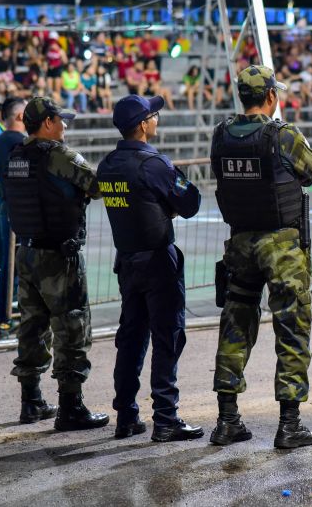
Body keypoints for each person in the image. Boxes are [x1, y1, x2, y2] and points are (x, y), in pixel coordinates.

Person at [209, 65, 312, 449]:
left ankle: (227, 420)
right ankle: (289, 425)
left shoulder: (221, 135)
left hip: (240, 242)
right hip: (282, 246)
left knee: (235, 323)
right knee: (291, 327)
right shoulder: (283, 135)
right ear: (272, 96)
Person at [97, 95, 204, 442]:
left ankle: (126, 415)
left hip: (127, 261)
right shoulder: (152, 164)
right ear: (143, 125)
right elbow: (190, 203)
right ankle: (165, 418)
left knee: (131, 338)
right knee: (167, 336)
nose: (156, 120)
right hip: (158, 261)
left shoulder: (108, 164)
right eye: (153, 116)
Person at [3, 97, 109, 431]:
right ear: (47, 122)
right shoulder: (59, 156)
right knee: (71, 328)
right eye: (61, 120)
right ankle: (71, 407)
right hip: (58, 258)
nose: (65, 126)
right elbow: (96, 186)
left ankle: (31, 401)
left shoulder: (17, 156)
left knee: (32, 327)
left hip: (27, 253)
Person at [0, 98, 27, 338]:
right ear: (20, 117)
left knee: (8, 264)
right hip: (22, 208)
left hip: (6, 205)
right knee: (28, 261)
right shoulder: (20, 143)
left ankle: (5, 319)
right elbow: (22, 175)